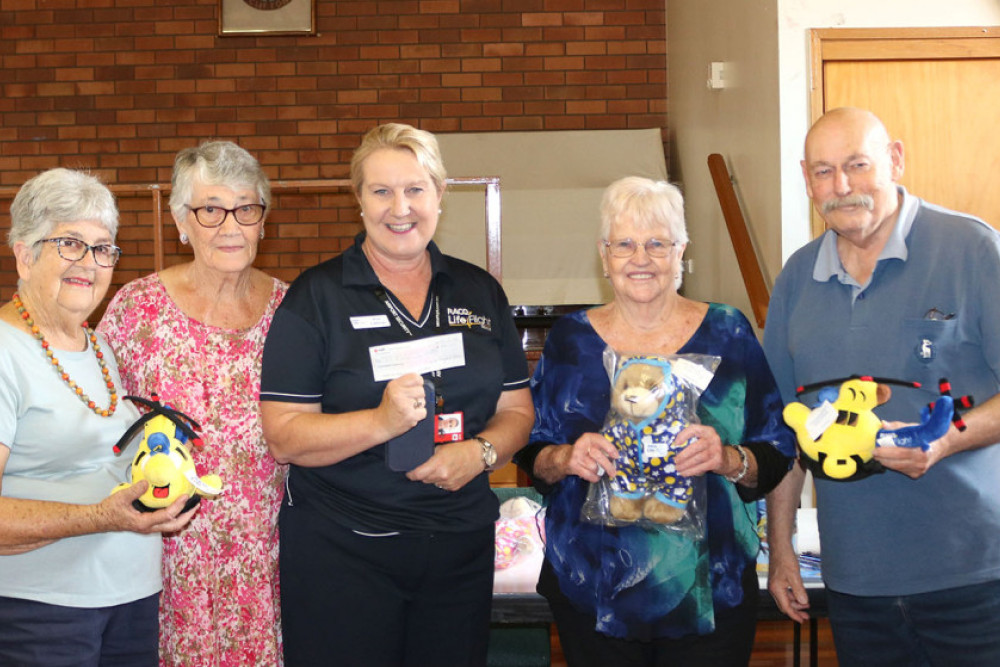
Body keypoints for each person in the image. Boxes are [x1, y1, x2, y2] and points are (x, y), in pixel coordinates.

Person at [259, 122, 534, 666]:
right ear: (358, 200)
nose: (399, 207)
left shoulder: (479, 291)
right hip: (345, 550)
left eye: (414, 189)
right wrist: (381, 422)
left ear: (439, 195)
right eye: (381, 191)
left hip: (458, 549)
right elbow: (285, 437)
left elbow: (517, 411)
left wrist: (479, 453)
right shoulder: (315, 298)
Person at [515, 176, 796, 666]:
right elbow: (531, 454)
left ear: (681, 252)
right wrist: (566, 456)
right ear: (604, 256)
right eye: (624, 244)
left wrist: (727, 458)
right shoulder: (569, 341)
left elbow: (776, 452)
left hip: (711, 586)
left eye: (656, 243)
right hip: (593, 584)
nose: (640, 258)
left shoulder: (727, 332)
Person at [764, 107, 1000, 665]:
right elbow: (784, 432)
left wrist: (946, 440)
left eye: (857, 165)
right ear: (806, 178)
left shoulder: (971, 249)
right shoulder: (797, 279)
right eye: (823, 171)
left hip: (974, 574)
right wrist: (782, 551)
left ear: (895, 159)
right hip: (856, 584)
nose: (841, 187)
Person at [97, 141, 288, 666]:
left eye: (246, 208)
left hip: (266, 556)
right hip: (163, 552)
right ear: (181, 221)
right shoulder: (137, 309)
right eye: (210, 209)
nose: (230, 225)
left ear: (262, 221)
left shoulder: (294, 310)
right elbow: (98, 424)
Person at [0, 168, 197, 665]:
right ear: (24, 254)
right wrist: (99, 518)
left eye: (103, 247)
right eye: (70, 243)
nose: (89, 263)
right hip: (41, 614)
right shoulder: (6, 351)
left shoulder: (97, 345)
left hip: (130, 601)